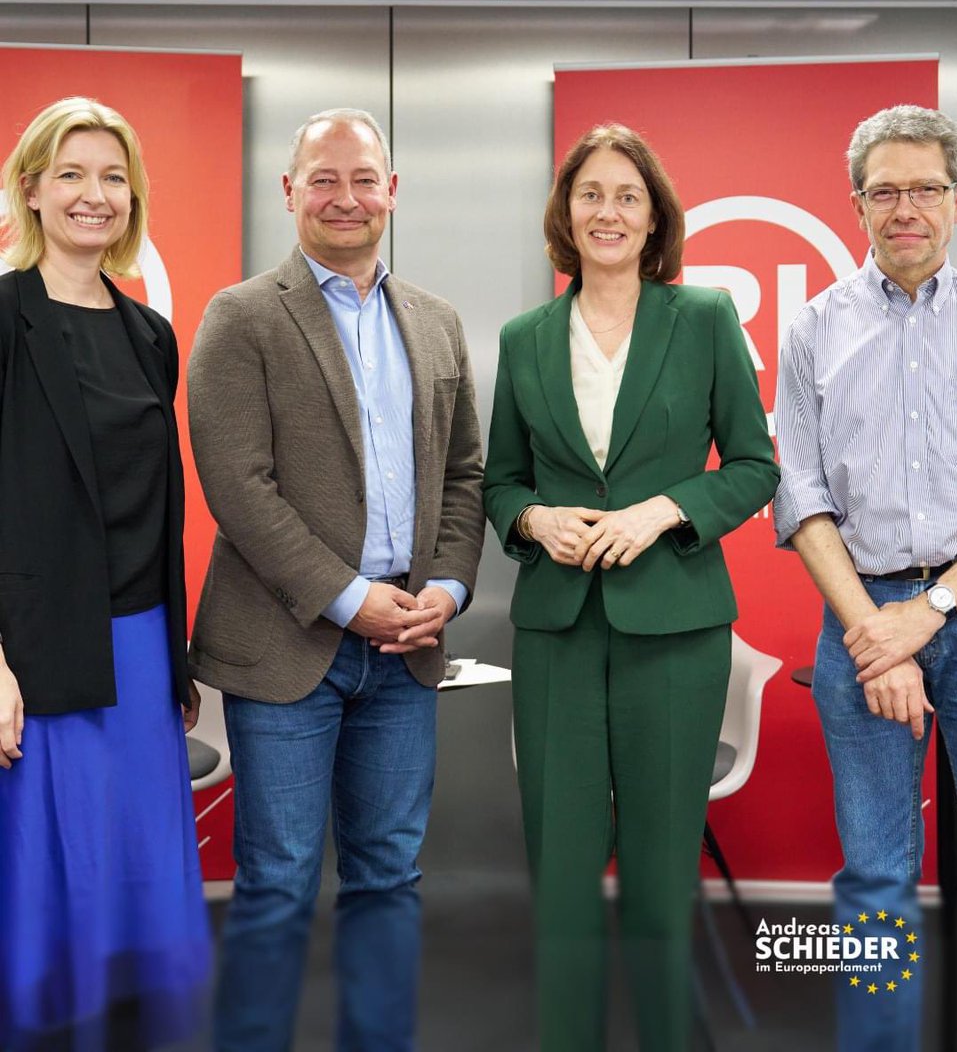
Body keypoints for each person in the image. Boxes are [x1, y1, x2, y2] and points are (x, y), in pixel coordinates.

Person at [187, 106, 485, 1052]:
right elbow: (239, 486)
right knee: (276, 881)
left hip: (409, 647)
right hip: (288, 649)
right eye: (324, 178)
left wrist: (446, 589)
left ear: (392, 191)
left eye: (364, 179)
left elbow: (467, 475)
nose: (346, 198)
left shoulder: (436, 323)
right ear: (290, 192)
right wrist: (350, 601)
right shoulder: (240, 317)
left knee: (389, 876)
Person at [482, 122, 778, 1051]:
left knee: (658, 878)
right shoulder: (526, 337)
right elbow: (500, 483)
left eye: (627, 197)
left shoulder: (705, 318)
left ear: (655, 219)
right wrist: (535, 522)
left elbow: (755, 466)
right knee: (563, 875)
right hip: (558, 634)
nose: (606, 211)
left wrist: (664, 510)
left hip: (678, 632)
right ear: (564, 215)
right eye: (590, 195)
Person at [0, 97, 210, 1051]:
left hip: (141, 649)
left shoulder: (149, 334)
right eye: (73, 175)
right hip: (39, 655)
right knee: (56, 884)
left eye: (114, 177)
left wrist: (176, 658)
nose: (95, 195)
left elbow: (153, 510)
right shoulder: (4, 321)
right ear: (33, 190)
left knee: (136, 883)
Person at [774, 104, 957, 1052]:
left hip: (949, 602)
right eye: (884, 190)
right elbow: (801, 501)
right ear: (855, 206)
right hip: (862, 615)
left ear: (954, 199)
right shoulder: (814, 328)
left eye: (924, 186)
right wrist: (873, 631)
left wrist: (924, 614)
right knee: (877, 875)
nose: (905, 208)